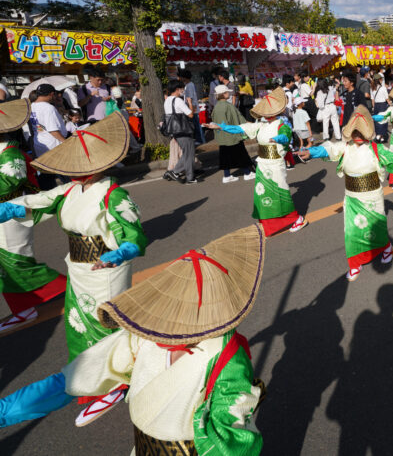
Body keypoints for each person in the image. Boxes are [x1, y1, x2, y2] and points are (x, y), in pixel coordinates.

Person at [0, 225, 266, 455]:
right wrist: (4, 411)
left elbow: (231, 438)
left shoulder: (226, 354)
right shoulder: (145, 336)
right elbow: (75, 377)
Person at [0, 113, 147, 425]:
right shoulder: (68, 191)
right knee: (79, 326)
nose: (75, 175)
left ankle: (119, 381)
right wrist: (9, 208)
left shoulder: (113, 194)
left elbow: (134, 236)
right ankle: (95, 383)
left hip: (105, 271)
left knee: (103, 325)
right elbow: (38, 200)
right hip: (79, 268)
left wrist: (120, 253)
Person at [300, 106, 393, 282]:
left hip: (372, 198)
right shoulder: (345, 147)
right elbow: (328, 149)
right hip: (352, 198)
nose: (358, 136)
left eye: (361, 132)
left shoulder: (377, 149)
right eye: (355, 132)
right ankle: (355, 264)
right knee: (351, 232)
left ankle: (386, 249)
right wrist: (311, 152)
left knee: (376, 228)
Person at [0, 99, 67, 332]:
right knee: (7, 263)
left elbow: (10, 182)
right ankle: (25, 306)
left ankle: (27, 308)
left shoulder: (10, 153)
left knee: (15, 261)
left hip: (10, 213)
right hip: (5, 213)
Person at [205, 87, 307, 236]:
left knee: (281, 193)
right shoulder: (261, 125)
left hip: (276, 163)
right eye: (265, 113)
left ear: (276, 112)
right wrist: (220, 126)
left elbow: (286, 137)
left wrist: (277, 139)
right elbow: (240, 129)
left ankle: (297, 218)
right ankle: (269, 225)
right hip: (263, 164)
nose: (267, 115)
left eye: (269, 113)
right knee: (264, 195)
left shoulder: (282, 125)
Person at [211, 84, 255, 184]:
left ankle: (227, 175)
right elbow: (239, 119)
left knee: (225, 156)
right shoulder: (228, 106)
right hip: (232, 134)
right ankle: (247, 173)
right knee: (241, 154)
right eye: (227, 92)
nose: (229, 94)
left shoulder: (216, 107)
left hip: (222, 137)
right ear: (222, 94)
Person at [162, 79, 198, 185]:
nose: (183, 90)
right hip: (183, 130)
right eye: (182, 88)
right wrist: (190, 103)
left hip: (175, 131)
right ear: (177, 89)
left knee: (187, 153)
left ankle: (175, 172)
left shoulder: (167, 100)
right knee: (189, 154)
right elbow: (190, 114)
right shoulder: (178, 100)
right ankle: (187, 177)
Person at [178, 69, 205, 145]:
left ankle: (200, 140)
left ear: (184, 77)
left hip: (192, 109)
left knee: (196, 125)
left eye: (181, 77)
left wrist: (192, 110)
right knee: (195, 125)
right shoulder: (187, 85)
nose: (180, 79)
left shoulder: (190, 85)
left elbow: (190, 98)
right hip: (190, 108)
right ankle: (199, 139)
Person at [370, 73, 389, 142]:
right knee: (383, 120)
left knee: (377, 121)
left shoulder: (372, 88)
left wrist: (374, 107)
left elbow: (372, 99)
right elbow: (387, 99)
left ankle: (378, 135)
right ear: (379, 80)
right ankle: (382, 137)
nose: (382, 80)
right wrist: (391, 104)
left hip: (376, 106)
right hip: (382, 105)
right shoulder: (383, 88)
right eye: (381, 79)